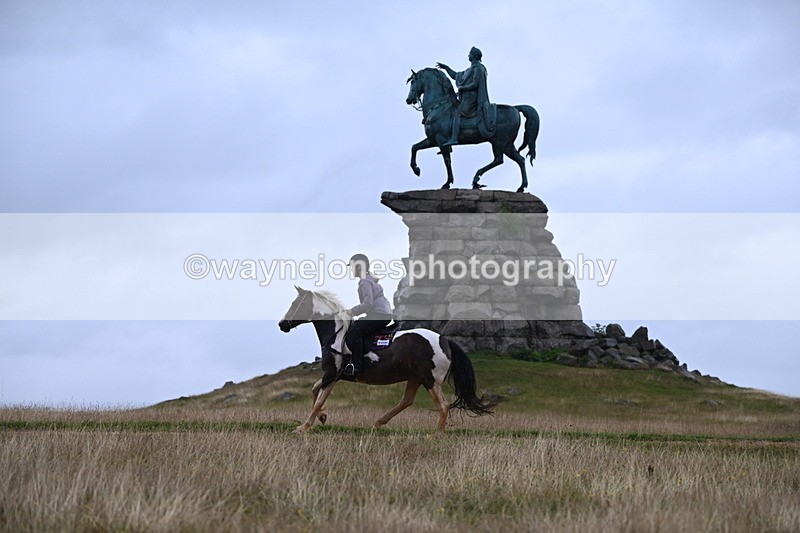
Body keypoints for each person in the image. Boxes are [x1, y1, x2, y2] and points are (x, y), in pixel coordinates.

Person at [343, 254, 393, 376]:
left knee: (354, 331)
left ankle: (357, 367)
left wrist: (351, 311)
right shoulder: (370, 279)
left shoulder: (364, 282)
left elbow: (368, 304)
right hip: (383, 314)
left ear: (359, 267)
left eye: (352, 266)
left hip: (379, 314)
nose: (351, 270)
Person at [436, 46, 496, 146]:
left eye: (470, 53)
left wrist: (463, 88)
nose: (468, 55)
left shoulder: (478, 68)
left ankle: (454, 138)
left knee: (456, 113)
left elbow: (475, 84)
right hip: (466, 98)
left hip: (472, 99)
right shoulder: (469, 70)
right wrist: (446, 68)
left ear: (474, 56)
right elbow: (456, 75)